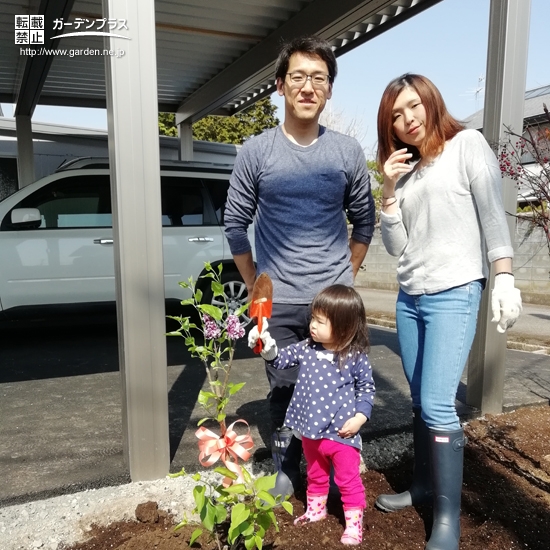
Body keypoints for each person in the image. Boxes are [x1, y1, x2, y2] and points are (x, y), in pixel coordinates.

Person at [373, 73, 522, 550]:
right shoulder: (408, 173)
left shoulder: (467, 145)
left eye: (413, 106)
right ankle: (420, 485)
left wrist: (503, 274)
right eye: (396, 116)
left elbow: (491, 214)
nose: (407, 119)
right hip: (409, 297)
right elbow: (397, 246)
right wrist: (389, 191)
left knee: (438, 403)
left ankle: (446, 519)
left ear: (431, 101)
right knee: (420, 401)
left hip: (454, 291)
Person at [224, 35, 375, 498]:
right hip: (281, 299)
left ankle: (342, 463)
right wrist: (256, 285)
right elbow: (235, 223)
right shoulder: (256, 151)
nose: (308, 87)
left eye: (319, 78)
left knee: (343, 386)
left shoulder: (347, 152)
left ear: (328, 89)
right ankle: (292, 468)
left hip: (334, 299)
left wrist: (345, 277)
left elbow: (364, 221)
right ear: (279, 85)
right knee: (286, 388)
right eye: (298, 77)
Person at [248, 284, 375, 546]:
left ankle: (353, 523)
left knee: (347, 479)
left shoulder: (354, 357)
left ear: (344, 326)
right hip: (310, 432)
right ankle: (316, 510)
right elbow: (280, 360)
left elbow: (366, 389)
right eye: (313, 319)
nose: (312, 326)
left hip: (341, 433)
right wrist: (267, 347)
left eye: (319, 321)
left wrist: (361, 417)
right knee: (315, 474)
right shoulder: (307, 348)